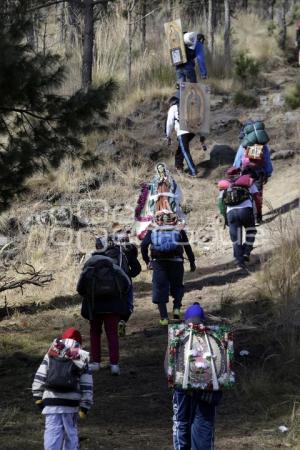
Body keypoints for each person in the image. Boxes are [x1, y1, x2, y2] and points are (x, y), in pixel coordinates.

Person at [77, 235, 140, 374]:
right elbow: (126, 283)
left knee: (95, 333)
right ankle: (114, 365)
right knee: (112, 334)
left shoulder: (90, 262)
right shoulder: (113, 263)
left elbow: (80, 287)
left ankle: (95, 362)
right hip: (113, 305)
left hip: (94, 306)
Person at [170, 303, 222, 450]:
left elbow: (168, 369)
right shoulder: (213, 338)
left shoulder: (179, 337)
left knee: (182, 425)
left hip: (182, 392)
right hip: (207, 392)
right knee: (204, 427)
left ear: (185, 321)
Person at [32, 327, 93, 450]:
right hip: (71, 404)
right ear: (79, 342)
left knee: (52, 432)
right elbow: (87, 384)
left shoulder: (52, 352)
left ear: (63, 338)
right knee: (70, 433)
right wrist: (85, 405)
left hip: (51, 402)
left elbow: (40, 375)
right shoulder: (81, 356)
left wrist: (38, 396)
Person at [141, 211, 196, 325]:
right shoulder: (178, 229)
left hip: (158, 263)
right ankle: (176, 310)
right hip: (177, 262)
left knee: (160, 289)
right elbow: (187, 247)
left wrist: (147, 261)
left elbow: (143, 246)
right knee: (177, 286)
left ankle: (164, 318)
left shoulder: (152, 229)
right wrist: (192, 262)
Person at [218, 168, 259, 269]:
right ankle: (246, 251)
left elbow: (221, 204)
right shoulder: (247, 181)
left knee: (236, 238)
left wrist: (225, 218)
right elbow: (257, 197)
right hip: (245, 210)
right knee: (251, 231)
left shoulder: (224, 186)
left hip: (231, 213)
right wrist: (258, 212)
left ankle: (239, 262)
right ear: (239, 173)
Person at [233, 122, 273, 223]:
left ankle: (249, 217)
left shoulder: (243, 145)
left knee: (247, 195)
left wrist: (236, 171)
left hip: (245, 173)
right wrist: (268, 173)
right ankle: (257, 218)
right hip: (259, 172)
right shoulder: (263, 145)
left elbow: (238, 161)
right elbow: (267, 160)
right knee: (258, 194)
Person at [166, 96, 198, 177]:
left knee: (185, 151)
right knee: (181, 148)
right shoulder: (186, 106)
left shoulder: (173, 108)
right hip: (192, 131)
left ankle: (193, 171)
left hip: (182, 131)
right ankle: (179, 166)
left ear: (171, 103)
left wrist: (168, 135)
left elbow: (169, 123)